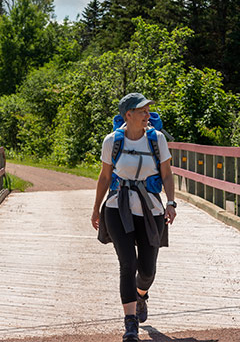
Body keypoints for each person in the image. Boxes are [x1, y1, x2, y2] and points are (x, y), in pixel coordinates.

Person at [92, 92, 177, 342]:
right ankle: (130, 325)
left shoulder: (156, 139)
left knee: (147, 269)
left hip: (151, 209)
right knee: (127, 263)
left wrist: (170, 203)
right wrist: (96, 207)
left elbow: (167, 173)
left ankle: (141, 294)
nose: (147, 115)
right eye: (142, 111)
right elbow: (105, 176)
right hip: (118, 208)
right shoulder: (112, 141)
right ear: (127, 115)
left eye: (148, 110)